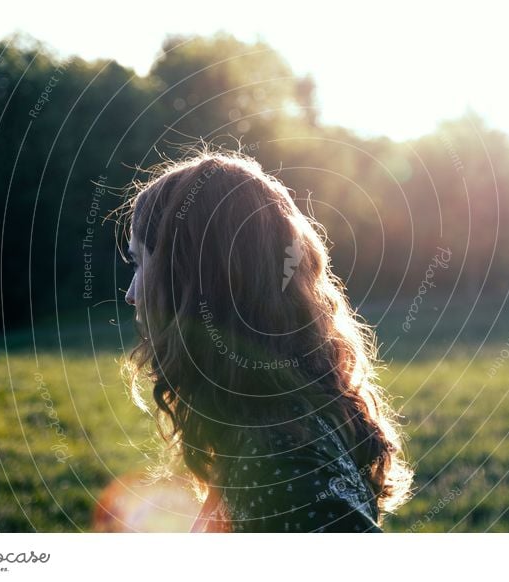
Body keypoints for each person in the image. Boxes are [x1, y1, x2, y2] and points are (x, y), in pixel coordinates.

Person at [116, 145, 413, 532]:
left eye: (142, 263)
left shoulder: (279, 460)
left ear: (197, 283)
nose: (131, 293)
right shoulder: (262, 421)